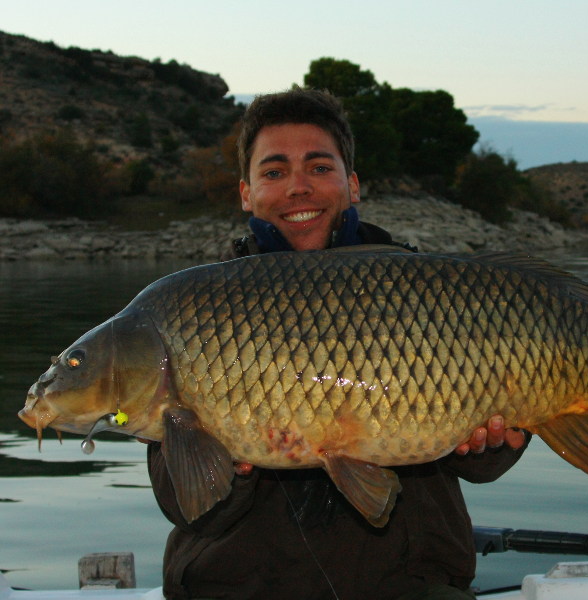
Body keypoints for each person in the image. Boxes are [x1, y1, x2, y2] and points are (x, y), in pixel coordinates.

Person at [147, 88, 530, 600]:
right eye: (275, 171)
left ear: (351, 184)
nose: (298, 188)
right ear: (247, 192)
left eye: (319, 168)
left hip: (407, 583)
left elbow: (478, 462)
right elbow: (184, 504)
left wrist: (491, 444)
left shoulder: (427, 291)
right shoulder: (196, 312)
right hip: (240, 586)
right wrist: (228, 467)